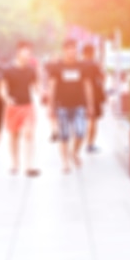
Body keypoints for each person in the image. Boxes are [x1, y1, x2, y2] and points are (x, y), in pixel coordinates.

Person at [48, 39, 94, 173]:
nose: (71, 51)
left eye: (73, 49)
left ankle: (74, 152)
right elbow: (52, 86)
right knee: (64, 135)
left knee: (80, 132)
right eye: (68, 49)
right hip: (61, 105)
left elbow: (87, 85)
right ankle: (65, 162)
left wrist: (90, 105)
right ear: (64, 51)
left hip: (79, 105)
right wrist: (50, 107)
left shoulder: (83, 67)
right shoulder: (57, 67)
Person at [0, 41, 40, 177]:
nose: (28, 55)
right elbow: (2, 89)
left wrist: (44, 94)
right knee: (14, 136)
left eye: (30, 52)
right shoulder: (7, 70)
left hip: (28, 105)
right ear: (19, 52)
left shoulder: (31, 70)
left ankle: (29, 166)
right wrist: (7, 99)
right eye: (25, 52)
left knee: (29, 133)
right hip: (13, 107)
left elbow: (37, 88)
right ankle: (15, 163)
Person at [82, 44, 105, 153]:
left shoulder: (79, 65)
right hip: (95, 96)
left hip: (81, 95)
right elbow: (102, 78)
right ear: (92, 53)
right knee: (93, 120)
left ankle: (82, 141)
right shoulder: (94, 65)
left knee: (85, 119)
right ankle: (90, 144)